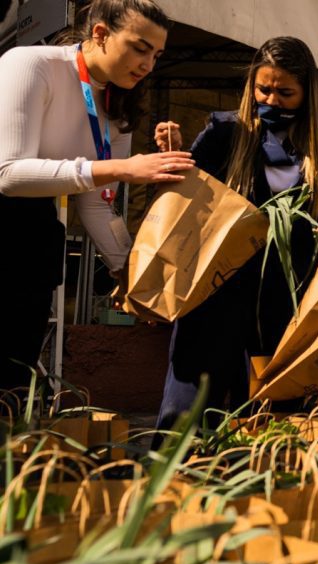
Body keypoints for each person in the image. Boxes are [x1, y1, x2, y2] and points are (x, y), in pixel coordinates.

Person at [153, 36, 318, 430]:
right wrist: (174, 156)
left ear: (305, 93)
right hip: (213, 292)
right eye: (264, 88)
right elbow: (187, 195)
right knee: (190, 409)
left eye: (285, 92)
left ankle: (259, 488)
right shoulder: (223, 132)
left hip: (283, 303)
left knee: (267, 415)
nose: (272, 99)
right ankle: (174, 485)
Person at [0, 0, 190, 392]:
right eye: (140, 48)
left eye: (156, 55)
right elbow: (9, 174)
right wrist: (121, 169)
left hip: (32, 245)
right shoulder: (31, 64)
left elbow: (96, 204)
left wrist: (131, 274)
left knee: (14, 381)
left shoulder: (118, 105)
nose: (148, 65)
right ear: (100, 34)